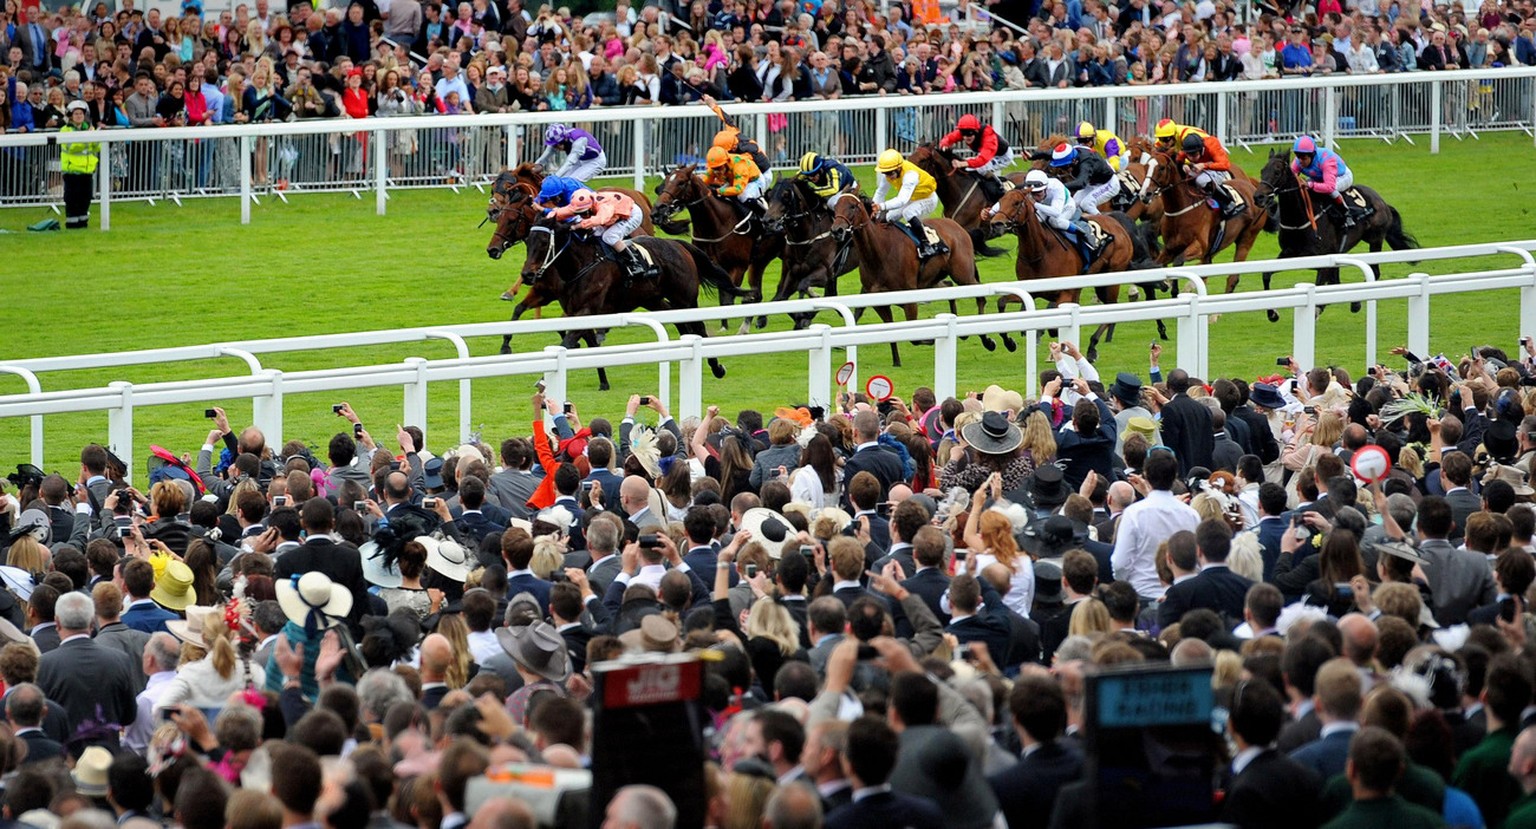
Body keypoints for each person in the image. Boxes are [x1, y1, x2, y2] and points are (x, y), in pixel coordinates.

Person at [551, 189, 651, 279]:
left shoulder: (604, 206)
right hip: (614, 216)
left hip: (630, 215)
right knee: (596, 234)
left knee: (609, 237)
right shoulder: (582, 204)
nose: (583, 216)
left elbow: (600, 219)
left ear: (591, 205)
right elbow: (561, 212)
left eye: (585, 213)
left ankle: (634, 263)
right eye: (580, 213)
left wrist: (577, 226)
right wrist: (548, 218)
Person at [1154, 118, 1242, 218]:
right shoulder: (1172, 143)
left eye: (1166, 139)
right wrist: (1184, 165)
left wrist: (1204, 165)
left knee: (1201, 181)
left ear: (1174, 135)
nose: (1164, 143)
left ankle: (1227, 202)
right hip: (1197, 162)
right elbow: (1170, 157)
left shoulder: (1202, 142)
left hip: (1213, 163)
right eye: (1161, 139)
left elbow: (1225, 164)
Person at [872, 149, 943, 259]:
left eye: (890, 173)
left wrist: (881, 206)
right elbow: (880, 192)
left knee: (908, 213)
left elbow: (902, 200)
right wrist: (873, 208)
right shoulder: (888, 173)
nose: (888, 176)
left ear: (899, 168)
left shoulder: (910, 175)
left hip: (928, 199)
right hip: (912, 197)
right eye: (885, 173)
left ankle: (926, 244)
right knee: (889, 217)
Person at [1291, 135, 1366, 228]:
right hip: (1320, 177)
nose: (1300, 161)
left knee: (1331, 191)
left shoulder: (1326, 160)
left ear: (1312, 155)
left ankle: (1346, 214)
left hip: (1341, 176)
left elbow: (1329, 186)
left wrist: (1310, 184)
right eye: (1298, 157)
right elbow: (1291, 178)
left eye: (1304, 158)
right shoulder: (1298, 161)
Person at [702, 94, 771, 187]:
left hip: (760, 175)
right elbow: (727, 119)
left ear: (733, 148)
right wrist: (712, 105)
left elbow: (738, 174)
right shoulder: (732, 133)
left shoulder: (746, 152)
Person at [1046, 140, 1119, 217]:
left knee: (1087, 204)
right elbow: (1047, 154)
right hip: (1092, 183)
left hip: (1109, 183)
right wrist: (1033, 157)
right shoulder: (1073, 152)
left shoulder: (1085, 163)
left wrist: (1060, 186)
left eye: (1064, 167)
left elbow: (1081, 183)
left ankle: (1103, 223)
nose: (1063, 170)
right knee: (1074, 203)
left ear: (1073, 161)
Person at [937, 112, 1015, 179]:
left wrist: (963, 163)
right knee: (967, 167)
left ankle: (1000, 188)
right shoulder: (965, 132)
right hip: (986, 155)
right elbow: (948, 138)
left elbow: (983, 160)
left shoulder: (988, 135)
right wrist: (944, 145)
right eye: (963, 133)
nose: (966, 137)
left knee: (981, 169)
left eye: (970, 133)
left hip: (1002, 156)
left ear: (976, 131)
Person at [59, 100, 98, 230]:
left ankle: (83, 224)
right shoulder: (65, 130)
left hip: (87, 171)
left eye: (81, 113)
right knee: (72, 200)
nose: (79, 116)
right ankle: (71, 225)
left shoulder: (89, 129)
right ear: (70, 116)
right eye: (76, 114)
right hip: (72, 172)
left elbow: (96, 148)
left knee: (85, 199)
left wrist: (95, 136)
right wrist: (87, 137)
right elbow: (71, 147)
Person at [704, 145, 767, 215]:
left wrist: (718, 191)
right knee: (718, 196)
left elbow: (738, 189)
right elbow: (704, 182)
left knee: (742, 196)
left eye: (719, 168)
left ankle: (765, 214)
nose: (716, 171)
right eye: (714, 168)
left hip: (754, 181)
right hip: (734, 181)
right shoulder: (715, 165)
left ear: (726, 162)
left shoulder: (739, 165)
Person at [533, 123, 606, 182]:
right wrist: (535, 167)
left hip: (595, 161)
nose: (554, 148)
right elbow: (545, 156)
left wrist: (554, 177)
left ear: (563, 140)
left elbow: (569, 163)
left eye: (555, 146)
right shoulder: (560, 138)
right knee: (561, 182)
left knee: (571, 182)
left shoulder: (579, 141)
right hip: (580, 159)